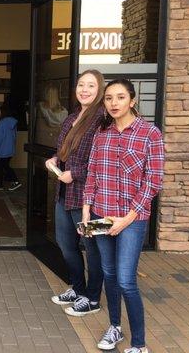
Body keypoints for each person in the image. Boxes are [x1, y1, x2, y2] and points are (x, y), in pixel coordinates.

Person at [83, 79, 164, 353]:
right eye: (108, 98)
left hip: (132, 219)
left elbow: (153, 181)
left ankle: (139, 344)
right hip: (101, 215)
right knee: (109, 273)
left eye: (120, 97)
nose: (113, 103)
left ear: (132, 101)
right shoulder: (101, 133)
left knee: (126, 280)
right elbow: (92, 173)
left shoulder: (149, 133)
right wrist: (86, 210)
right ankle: (115, 327)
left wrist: (127, 219)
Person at [45, 69, 106, 317]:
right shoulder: (72, 117)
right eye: (81, 84)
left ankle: (92, 299)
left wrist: (76, 173)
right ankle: (78, 289)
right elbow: (63, 152)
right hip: (64, 192)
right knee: (65, 244)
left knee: (93, 249)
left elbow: (101, 158)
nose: (85, 90)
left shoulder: (102, 118)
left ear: (99, 89)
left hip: (90, 198)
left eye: (91, 86)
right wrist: (55, 160)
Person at [0, 104, 21, 191]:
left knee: (2, 166)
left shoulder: (1, 123)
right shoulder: (13, 123)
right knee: (4, 166)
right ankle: (1, 180)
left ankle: (10, 182)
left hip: (2, 151)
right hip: (10, 150)